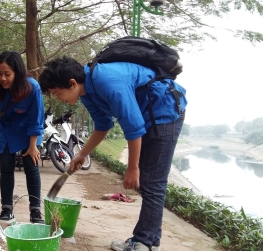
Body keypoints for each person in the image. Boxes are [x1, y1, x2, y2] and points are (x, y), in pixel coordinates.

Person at [38, 56, 187, 251]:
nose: (59, 99)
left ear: (72, 83)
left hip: (164, 109)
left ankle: (145, 243)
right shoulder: (86, 92)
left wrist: (132, 168)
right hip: (148, 113)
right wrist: (81, 154)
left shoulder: (107, 81)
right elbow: (103, 125)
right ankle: (147, 240)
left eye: (58, 93)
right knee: (151, 180)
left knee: (152, 180)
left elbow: (134, 127)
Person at [0, 51, 45, 224]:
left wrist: (33, 146)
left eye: (7, 74)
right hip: (6, 130)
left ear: (17, 72)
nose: (3, 79)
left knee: (31, 168)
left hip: (28, 133)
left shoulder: (32, 87)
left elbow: (36, 119)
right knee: (6, 168)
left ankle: (36, 211)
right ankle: (7, 209)